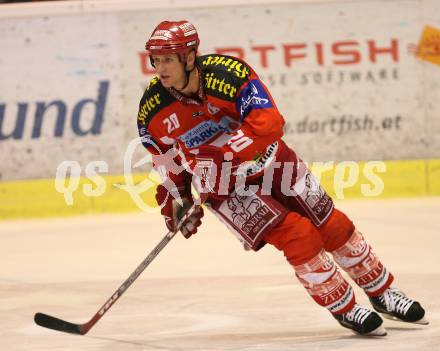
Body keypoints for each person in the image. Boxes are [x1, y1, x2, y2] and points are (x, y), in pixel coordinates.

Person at [137, 20, 428, 336]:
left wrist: (227, 154)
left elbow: (269, 123)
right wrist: (178, 197)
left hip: (273, 160)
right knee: (298, 236)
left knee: (334, 226)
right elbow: (165, 161)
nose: (160, 68)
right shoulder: (152, 110)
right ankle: (345, 307)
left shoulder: (229, 74)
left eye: (168, 59)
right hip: (225, 188)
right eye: (156, 59)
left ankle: (383, 293)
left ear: (190, 57)